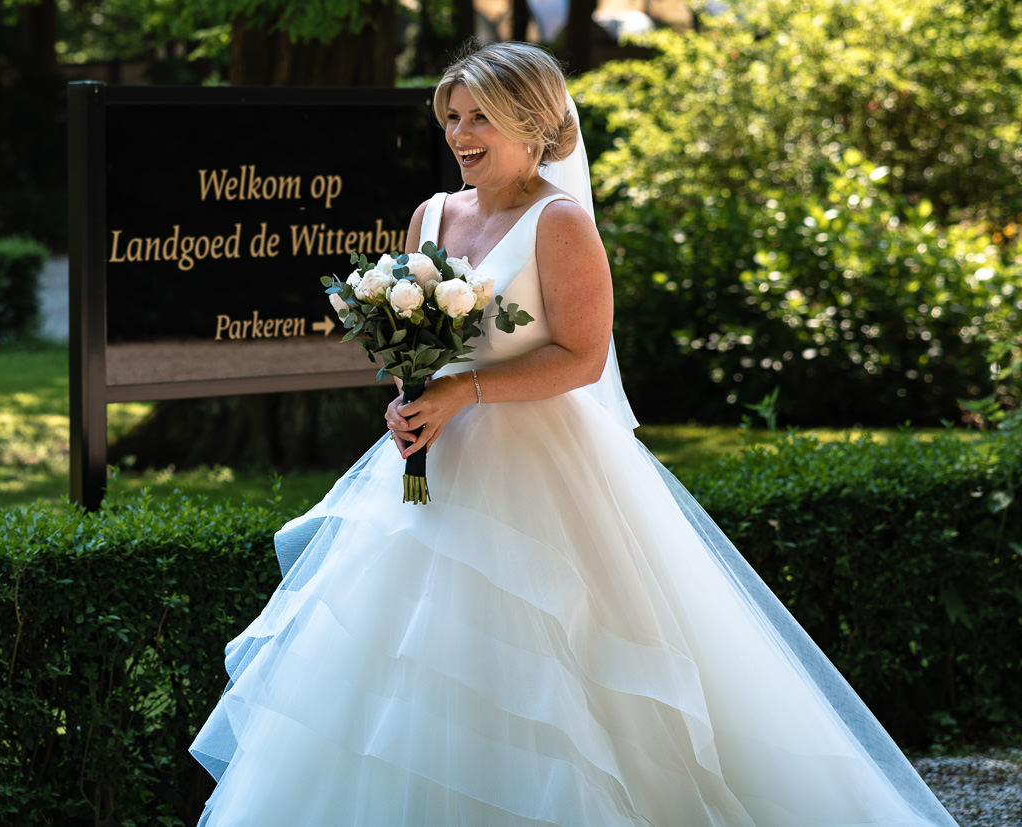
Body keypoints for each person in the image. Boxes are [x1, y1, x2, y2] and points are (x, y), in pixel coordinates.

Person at [190, 42, 956, 825]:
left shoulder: (559, 222)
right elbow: (409, 333)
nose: (461, 133)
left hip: (538, 468)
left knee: (549, 668)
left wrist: (468, 390)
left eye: (480, 115)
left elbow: (583, 358)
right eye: (453, 116)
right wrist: (408, 394)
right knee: (403, 667)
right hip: (433, 464)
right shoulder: (431, 213)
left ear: (531, 121)